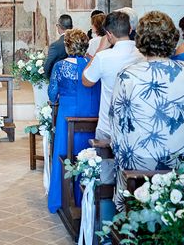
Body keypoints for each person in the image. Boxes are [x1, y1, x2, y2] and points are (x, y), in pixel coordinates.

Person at [111, 11, 184, 210]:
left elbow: (117, 123)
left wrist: (120, 160)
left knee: (134, 215)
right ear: (172, 38)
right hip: (180, 158)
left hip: (139, 161)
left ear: (140, 39)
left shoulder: (127, 74)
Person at [47, 29, 100, 214]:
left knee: (64, 151)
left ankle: (61, 197)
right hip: (91, 114)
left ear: (67, 45)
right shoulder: (92, 64)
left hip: (67, 115)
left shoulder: (60, 66)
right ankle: (86, 196)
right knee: (87, 152)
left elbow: (52, 94)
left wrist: (57, 98)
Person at [82, 11, 143, 142]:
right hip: (137, 125)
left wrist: (100, 49)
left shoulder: (103, 57)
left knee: (107, 162)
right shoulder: (143, 55)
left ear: (109, 34)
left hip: (109, 126)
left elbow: (86, 81)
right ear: (130, 29)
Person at [43, 14, 73, 79]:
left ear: (59, 26)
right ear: (72, 26)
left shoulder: (55, 45)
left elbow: (48, 65)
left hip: (60, 79)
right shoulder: (79, 41)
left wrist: (48, 78)